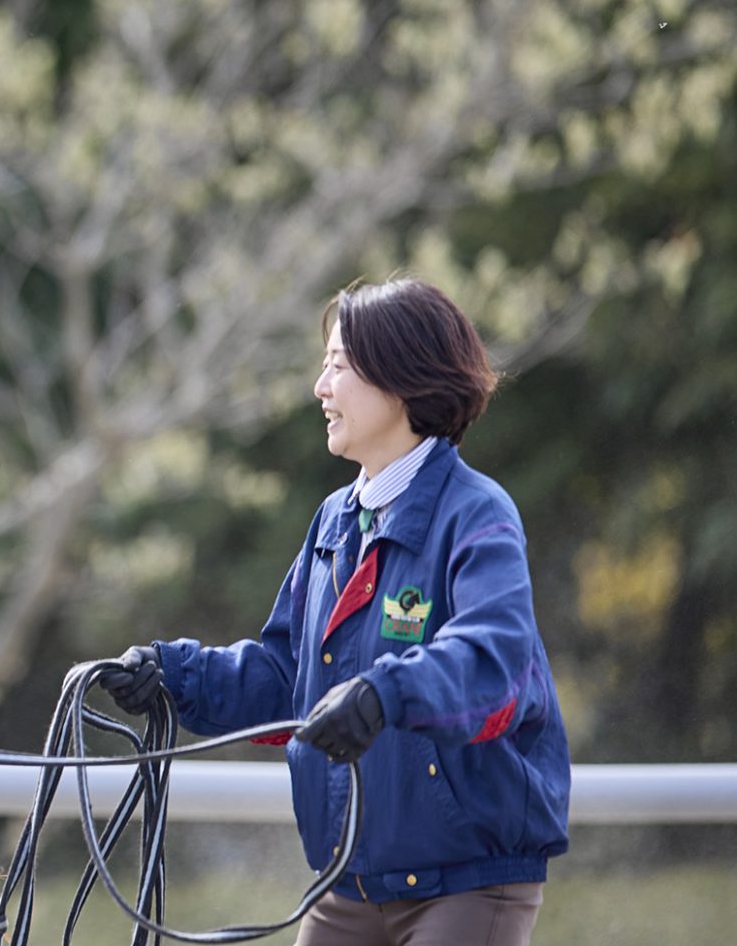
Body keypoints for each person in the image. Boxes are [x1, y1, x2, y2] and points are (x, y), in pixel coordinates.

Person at [99, 277, 569, 945]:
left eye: (338, 366)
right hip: (347, 884)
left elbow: (491, 663)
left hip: (469, 881)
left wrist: (384, 693)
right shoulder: (333, 521)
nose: (321, 388)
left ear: (401, 379)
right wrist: (175, 678)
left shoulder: (477, 512)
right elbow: (287, 678)